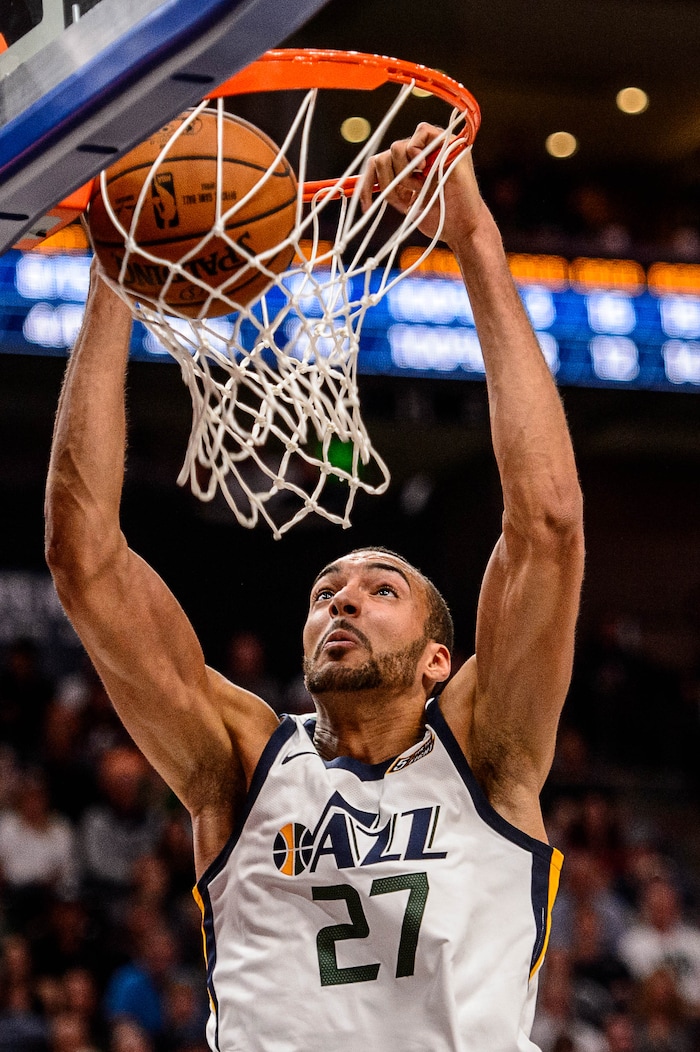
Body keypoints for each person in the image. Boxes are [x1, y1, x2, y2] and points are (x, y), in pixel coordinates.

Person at [44, 123, 585, 1051]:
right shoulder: (243, 761)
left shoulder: (491, 751)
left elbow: (548, 524)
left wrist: (476, 239)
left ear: (437, 658)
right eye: (328, 589)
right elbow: (82, 559)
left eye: (382, 589)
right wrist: (114, 270)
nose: (341, 598)